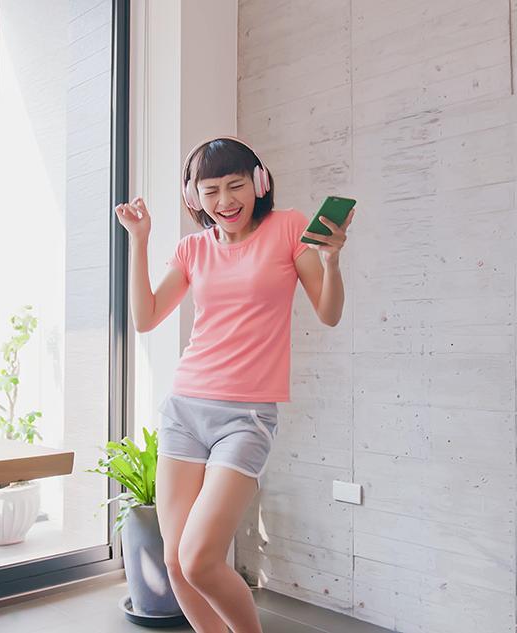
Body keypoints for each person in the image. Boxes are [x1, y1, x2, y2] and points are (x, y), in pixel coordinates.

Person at [113, 137, 353, 633]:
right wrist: (139, 241)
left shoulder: (288, 228)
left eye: (235, 185)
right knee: (177, 565)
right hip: (184, 409)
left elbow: (328, 313)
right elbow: (145, 317)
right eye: (211, 190)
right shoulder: (192, 248)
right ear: (193, 197)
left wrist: (331, 261)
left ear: (258, 183)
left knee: (199, 558)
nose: (225, 200)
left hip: (246, 417)